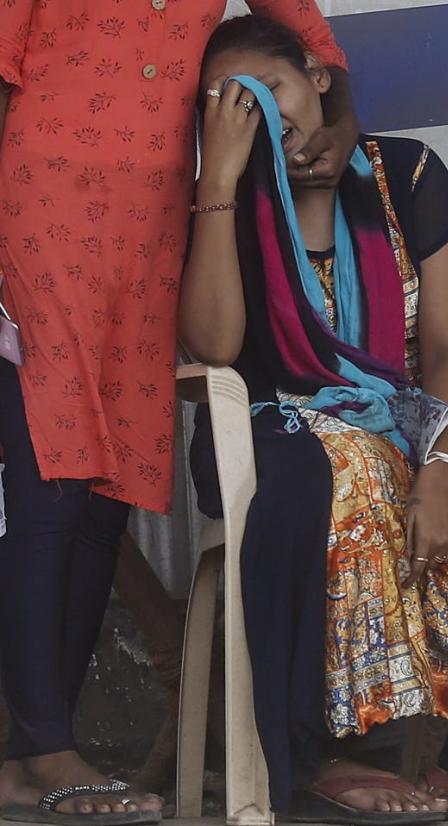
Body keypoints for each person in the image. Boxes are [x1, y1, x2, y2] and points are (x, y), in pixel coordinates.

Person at [179, 15, 448, 824]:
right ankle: (346, 752)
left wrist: (442, 472)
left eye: (268, 91)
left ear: (318, 79)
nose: (257, 114)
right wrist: (220, 183)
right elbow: (213, 346)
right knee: (355, 471)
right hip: (273, 425)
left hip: (417, 401)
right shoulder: (218, 194)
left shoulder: (405, 175)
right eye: (227, 102)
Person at [0, 2, 357, 823]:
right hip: (42, 208)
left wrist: (336, 129)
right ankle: (43, 743)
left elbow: (318, 46)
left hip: (155, 226)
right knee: (52, 475)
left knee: (107, 488)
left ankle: (34, 753)